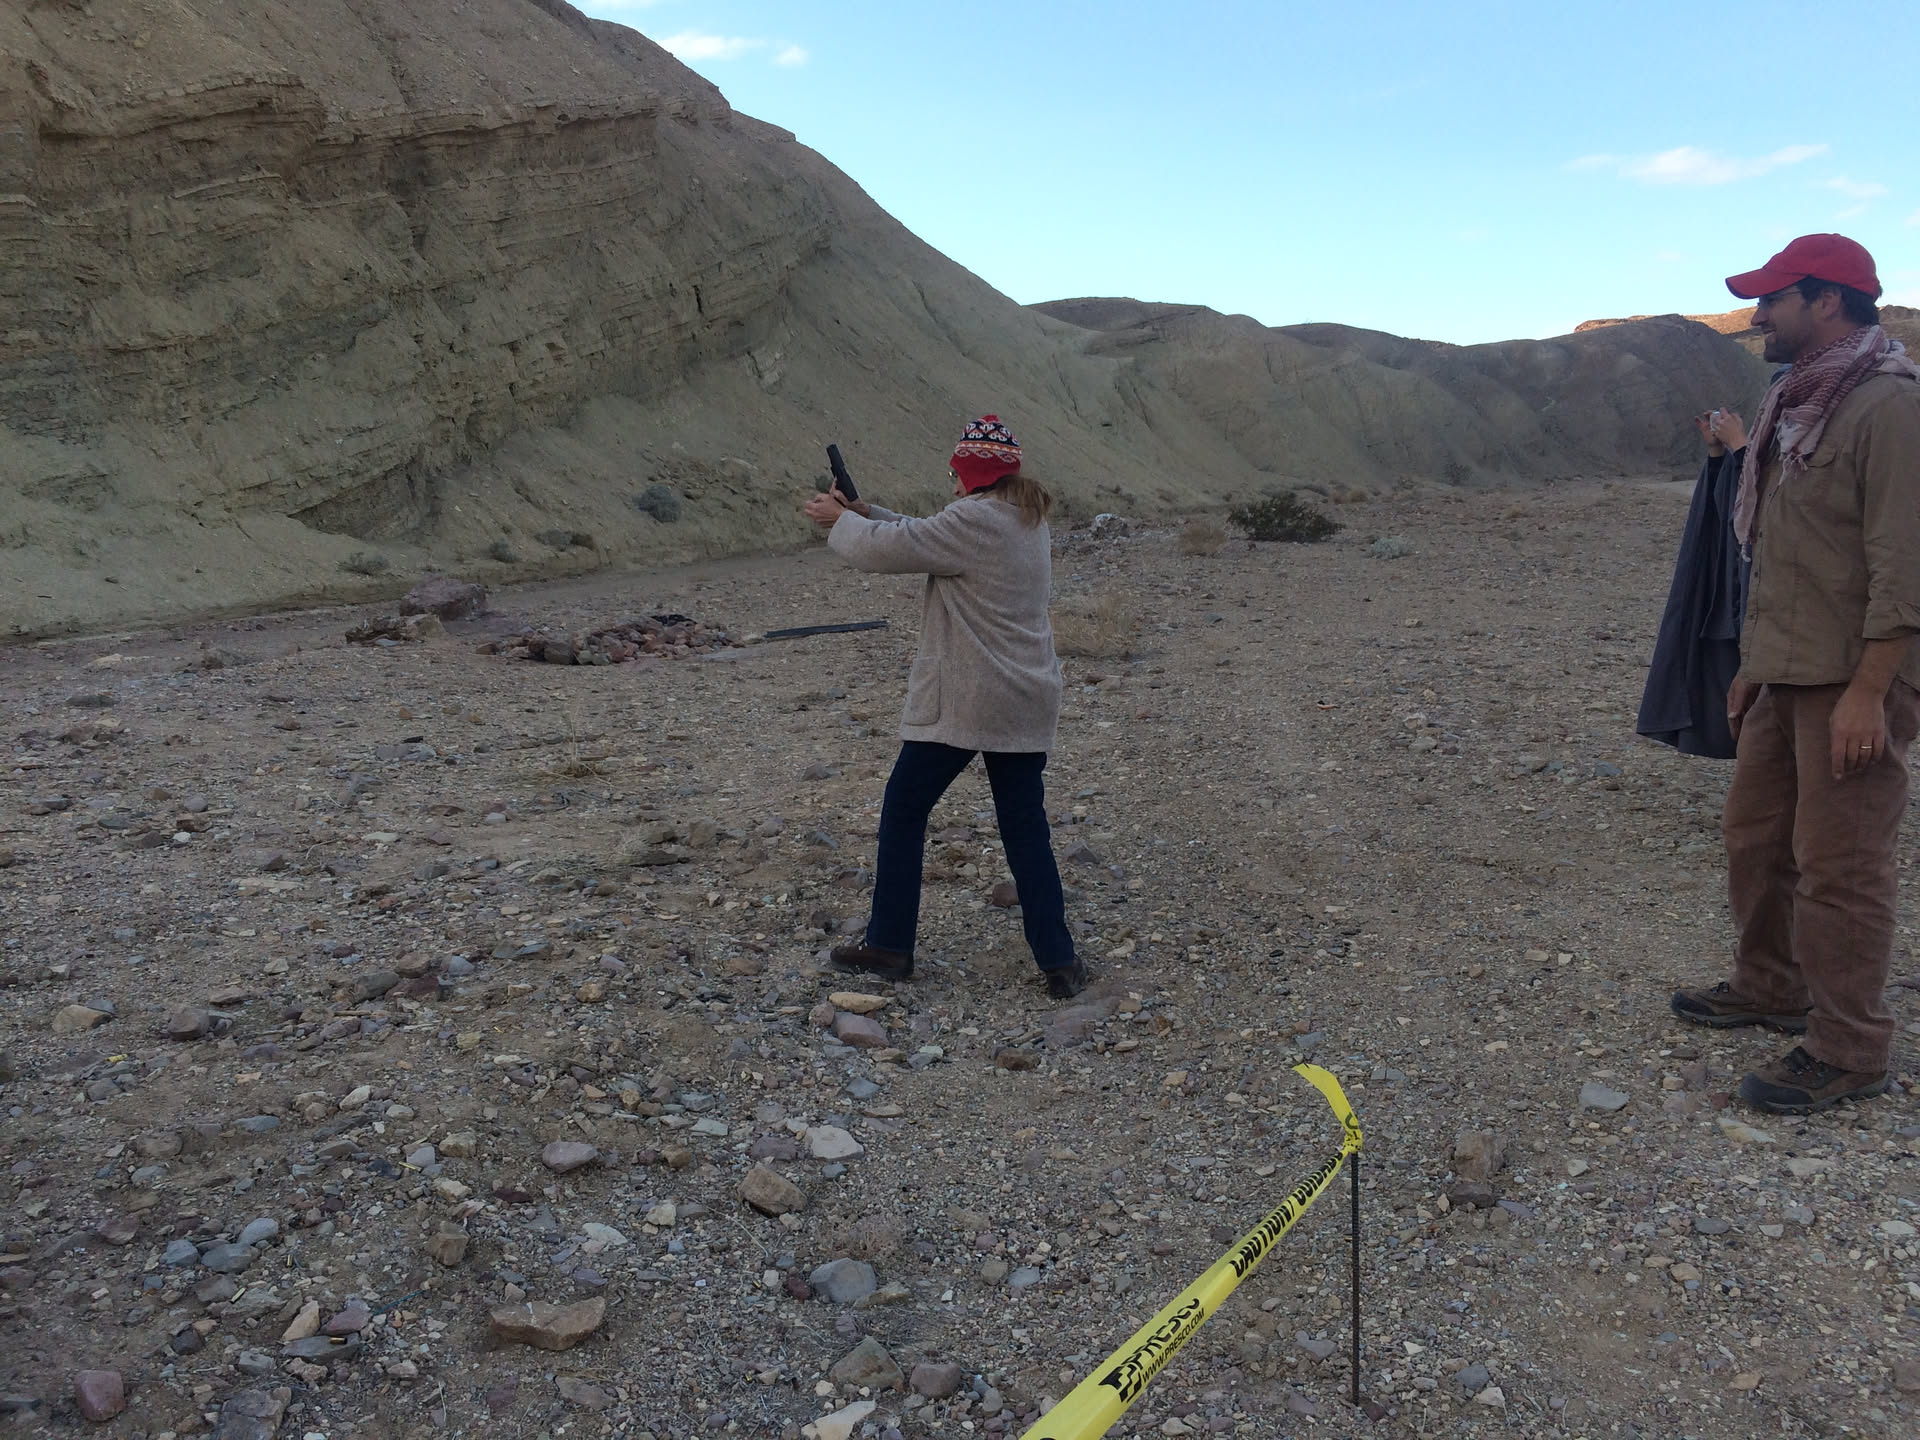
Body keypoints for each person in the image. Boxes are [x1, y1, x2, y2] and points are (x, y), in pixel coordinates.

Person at [1671, 234, 1920, 1113]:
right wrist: (1755, 664)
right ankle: (1771, 985)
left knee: (1840, 864)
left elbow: (1906, 562)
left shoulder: (1889, 406)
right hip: (1786, 669)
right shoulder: (1798, 403)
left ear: (1828, 301)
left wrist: (1870, 692)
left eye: (1773, 299)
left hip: (1854, 678)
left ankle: (1850, 1048)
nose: (1756, 316)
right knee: (1756, 838)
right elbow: (1783, 550)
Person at [800, 416, 1090, 999]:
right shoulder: (1023, 517)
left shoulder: (974, 519)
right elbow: (924, 534)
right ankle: (1059, 961)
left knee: (904, 810)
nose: (952, 480)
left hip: (971, 697)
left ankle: (889, 945)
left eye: (957, 470)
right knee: (1025, 828)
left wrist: (841, 521)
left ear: (972, 473)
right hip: (1024, 696)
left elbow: (894, 549)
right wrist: (864, 511)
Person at [1636, 406, 1752, 758]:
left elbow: (1771, 502)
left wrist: (1741, 447)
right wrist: (1719, 455)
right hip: (1735, 594)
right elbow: (1731, 503)